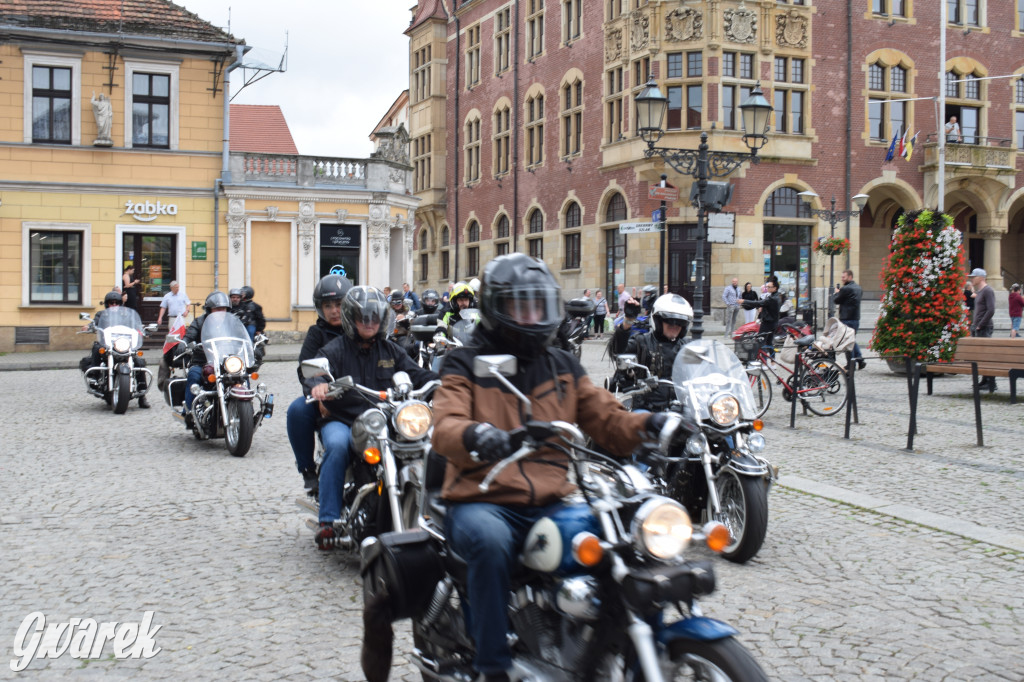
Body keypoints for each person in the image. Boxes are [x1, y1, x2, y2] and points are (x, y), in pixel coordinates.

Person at [429, 252, 675, 682]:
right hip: (482, 496)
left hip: (553, 498)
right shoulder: (465, 364)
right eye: (521, 305)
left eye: (539, 304)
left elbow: (609, 420)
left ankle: (628, 650)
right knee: (488, 542)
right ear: (495, 309)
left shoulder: (562, 364)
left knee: (627, 540)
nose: (532, 314)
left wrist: (653, 424)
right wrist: (474, 436)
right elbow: (445, 424)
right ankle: (493, 667)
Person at [304, 286, 438, 549]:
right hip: (343, 419)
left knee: (424, 444)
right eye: (364, 317)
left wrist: (448, 381)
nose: (370, 323)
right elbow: (314, 373)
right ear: (351, 319)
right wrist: (318, 386)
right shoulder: (335, 349)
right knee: (338, 447)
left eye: (374, 317)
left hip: (383, 419)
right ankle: (328, 521)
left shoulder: (391, 350)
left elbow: (418, 374)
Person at [287, 274, 352, 494]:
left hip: (359, 395)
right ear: (320, 308)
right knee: (297, 410)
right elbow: (305, 368)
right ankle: (307, 469)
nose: (334, 310)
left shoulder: (361, 330)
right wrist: (318, 393)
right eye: (328, 305)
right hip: (324, 395)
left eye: (340, 304)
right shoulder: (317, 334)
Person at [612, 293, 692, 411]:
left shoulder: (686, 346)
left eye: (680, 323)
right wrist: (628, 321)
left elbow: (706, 368)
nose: (675, 326)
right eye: (670, 321)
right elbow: (618, 351)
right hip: (647, 408)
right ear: (658, 321)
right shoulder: (642, 341)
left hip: (681, 406)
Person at [79, 290, 151, 409]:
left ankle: (142, 396)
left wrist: (142, 329)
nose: (114, 305)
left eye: (116, 303)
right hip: (107, 344)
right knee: (97, 348)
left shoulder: (127, 315)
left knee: (139, 362)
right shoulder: (101, 314)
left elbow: (135, 325)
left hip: (124, 344)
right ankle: (96, 377)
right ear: (107, 304)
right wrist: (90, 326)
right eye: (111, 303)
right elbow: (95, 323)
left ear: (120, 304)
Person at [181, 291, 231, 424]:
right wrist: (185, 342)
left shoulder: (231, 323)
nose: (221, 311)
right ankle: (189, 411)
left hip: (225, 362)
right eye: (217, 309)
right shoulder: (199, 322)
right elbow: (189, 335)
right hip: (203, 361)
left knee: (241, 377)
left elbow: (241, 338)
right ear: (209, 309)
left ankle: (247, 407)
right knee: (194, 375)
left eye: (224, 309)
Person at [833, 270, 866, 370]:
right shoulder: (859, 288)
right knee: (852, 340)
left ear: (850, 277)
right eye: (842, 277)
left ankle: (851, 364)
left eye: (844, 277)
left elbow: (836, 300)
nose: (842, 279)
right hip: (855, 318)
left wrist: (836, 293)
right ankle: (859, 359)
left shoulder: (845, 289)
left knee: (847, 342)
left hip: (846, 318)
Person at [969, 268, 996, 390]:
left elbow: (991, 309)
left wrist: (981, 324)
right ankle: (985, 379)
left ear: (981, 278)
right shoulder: (980, 292)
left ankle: (991, 381)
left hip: (984, 327)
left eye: (973, 277)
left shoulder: (988, 290)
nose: (971, 279)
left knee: (986, 355)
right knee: (981, 355)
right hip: (978, 327)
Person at [743, 279, 781, 355]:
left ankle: (764, 361)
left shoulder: (772, 298)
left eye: (769, 287)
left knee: (761, 341)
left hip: (768, 323)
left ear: (775, 288)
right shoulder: (776, 296)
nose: (767, 288)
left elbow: (758, 303)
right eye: (767, 287)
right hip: (773, 323)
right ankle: (772, 363)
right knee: (769, 343)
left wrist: (744, 301)